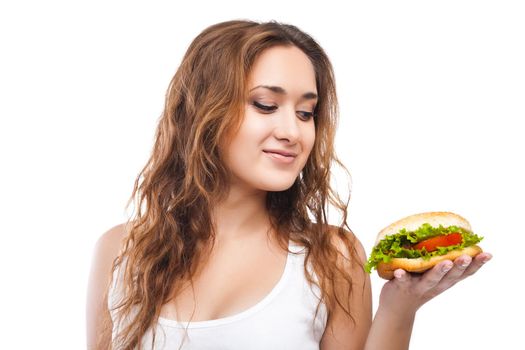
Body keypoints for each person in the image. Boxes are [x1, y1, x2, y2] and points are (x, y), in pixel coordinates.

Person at [86, 20, 492, 350]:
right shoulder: (120, 251)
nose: (292, 132)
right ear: (201, 111)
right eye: (266, 105)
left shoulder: (329, 258)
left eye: (305, 112)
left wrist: (398, 310)